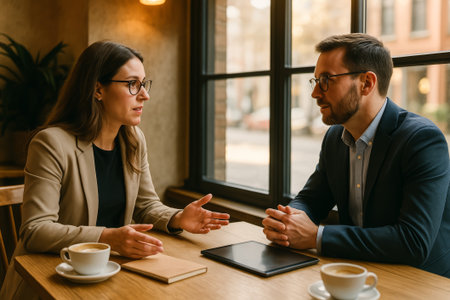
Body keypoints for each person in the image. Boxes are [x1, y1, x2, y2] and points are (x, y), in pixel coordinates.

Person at [0, 41, 230, 299]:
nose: (145, 95)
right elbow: (35, 231)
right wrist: (109, 238)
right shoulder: (51, 143)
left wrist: (178, 218)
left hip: (109, 275)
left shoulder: (133, 139)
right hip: (49, 282)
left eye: (144, 84)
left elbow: (146, 205)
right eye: (132, 84)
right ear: (98, 89)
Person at [262, 33, 450, 277]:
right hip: (357, 270)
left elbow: (413, 241)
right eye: (316, 80)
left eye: (327, 80)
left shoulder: (421, 140)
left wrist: (316, 236)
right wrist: (286, 220)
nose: (315, 93)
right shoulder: (334, 138)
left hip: (419, 280)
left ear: (367, 83)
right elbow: (312, 199)